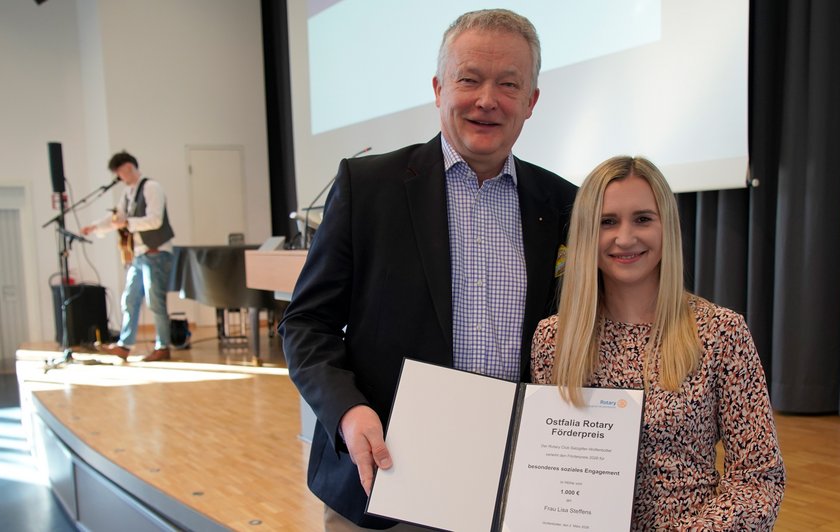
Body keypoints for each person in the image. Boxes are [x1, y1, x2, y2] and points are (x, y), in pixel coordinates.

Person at [280, 9, 578, 531]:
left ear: (531, 102)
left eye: (509, 84)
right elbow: (306, 324)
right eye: (469, 79)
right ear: (439, 88)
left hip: (515, 492)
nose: (487, 99)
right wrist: (349, 412)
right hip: (386, 484)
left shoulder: (563, 204)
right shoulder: (366, 187)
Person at [531, 156, 785, 530]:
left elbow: (759, 481)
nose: (625, 237)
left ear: (668, 228)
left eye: (643, 219)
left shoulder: (720, 333)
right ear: (585, 234)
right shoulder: (554, 339)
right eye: (607, 222)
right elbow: (551, 471)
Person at [82, 151, 175, 363]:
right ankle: (125, 345)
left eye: (120, 173)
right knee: (130, 299)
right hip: (139, 254)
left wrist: (127, 224)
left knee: (155, 302)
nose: (120, 177)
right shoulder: (128, 193)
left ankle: (163, 346)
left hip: (157, 252)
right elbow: (117, 217)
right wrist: (96, 227)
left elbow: (155, 220)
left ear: (128, 168)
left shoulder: (152, 188)